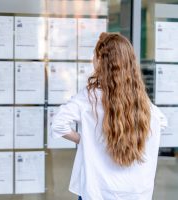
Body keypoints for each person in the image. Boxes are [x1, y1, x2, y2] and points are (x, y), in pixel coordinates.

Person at [50, 32, 167, 200]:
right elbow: (161, 122)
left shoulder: (89, 97)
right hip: (136, 191)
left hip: (98, 191)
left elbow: (59, 124)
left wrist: (86, 140)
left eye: (94, 56)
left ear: (101, 61)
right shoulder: (140, 99)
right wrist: (134, 135)